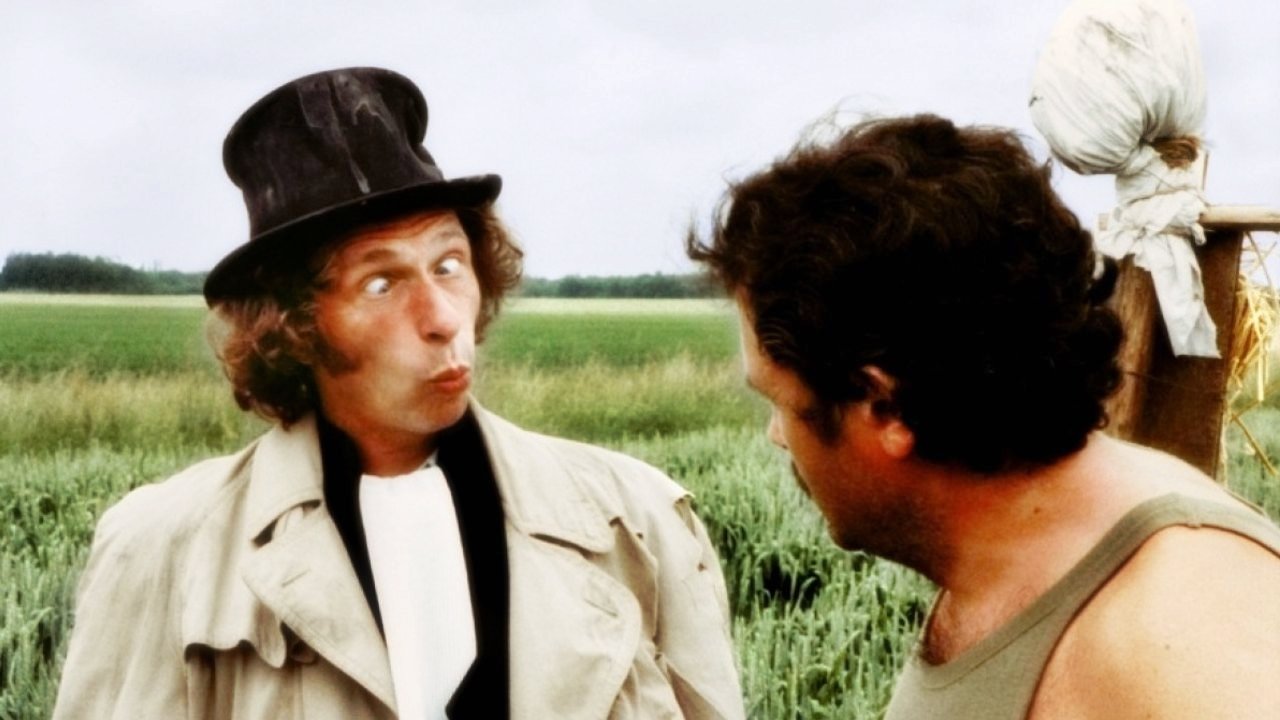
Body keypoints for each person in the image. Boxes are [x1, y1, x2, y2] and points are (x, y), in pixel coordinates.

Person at [53, 67, 744, 720]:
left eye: (449, 265)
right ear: (293, 326)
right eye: (380, 284)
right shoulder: (161, 547)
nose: (442, 318)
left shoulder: (640, 519)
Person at [687, 113, 1280, 719]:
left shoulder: (1182, 635)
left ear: (884, 406)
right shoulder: (1011, 550)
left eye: (779, 403)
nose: (776, 436)